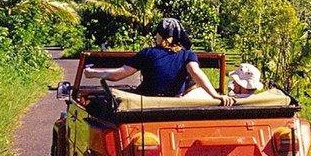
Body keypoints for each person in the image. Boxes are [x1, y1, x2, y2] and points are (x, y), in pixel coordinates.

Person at [84, 18, 234, 106]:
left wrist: (92, 73)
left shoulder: (147, 53)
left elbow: (118, 75)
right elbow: (196, 73)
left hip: (146, 102)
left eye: (157, 34)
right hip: (174, 103)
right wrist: (215, 96)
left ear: (160, 36)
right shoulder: (187, 55)